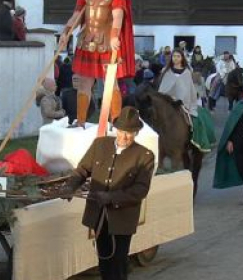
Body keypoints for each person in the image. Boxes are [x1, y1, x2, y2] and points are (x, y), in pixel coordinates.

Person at [58, 107, 155, 280]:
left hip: (122, 218)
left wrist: (111, 197)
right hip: (98, 215)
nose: (125, 137)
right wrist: (70, 187)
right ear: (116, 128)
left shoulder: (145, 155)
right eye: (122, 131)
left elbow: (140, 189)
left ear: (137, 132)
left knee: (118, 263)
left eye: (130, 133)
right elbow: (82, 170)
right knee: (104, 262)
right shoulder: (100, 145)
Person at [60, 0, 135, 128]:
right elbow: (78, 14)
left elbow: (118, 14)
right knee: (84, 82)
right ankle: (80, 122)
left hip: (107, 42)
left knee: (110, 83)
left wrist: (114, 35)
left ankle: (116, 121)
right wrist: (66, 32)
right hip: (87, 41)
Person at [158, 49, 215, 152]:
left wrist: (187, 100)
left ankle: (192, 140)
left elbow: (189, 89)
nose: (176, 58)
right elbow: (163, 89)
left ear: (182, 58)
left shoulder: (187, 72)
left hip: (184, 103)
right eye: (174, 56)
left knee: (195, 120)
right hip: (168, 102)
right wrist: (168, 98)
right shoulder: (166, 71)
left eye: (178, 56)